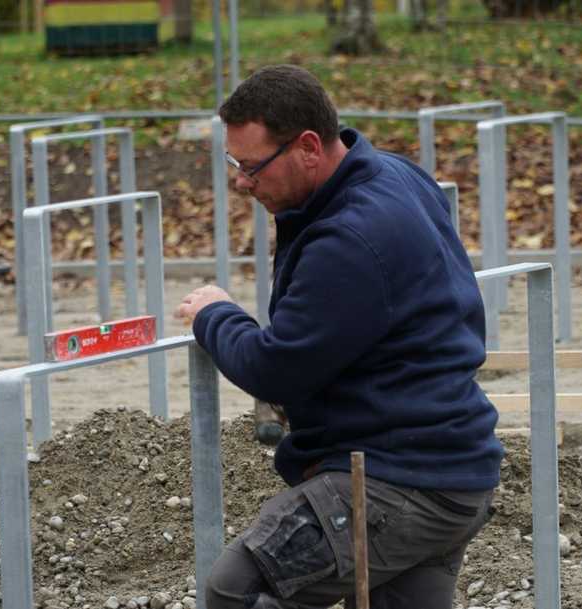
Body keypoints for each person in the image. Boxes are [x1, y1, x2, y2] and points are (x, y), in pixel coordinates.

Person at [174, 64, 502, 609]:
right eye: (234, 163)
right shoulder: (396, 174)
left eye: (252, 166)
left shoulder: (351, 238)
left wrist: (216, 315)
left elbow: (275, 368)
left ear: (308, 146)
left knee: (236, 588)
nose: (241, 182)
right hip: (455, 472)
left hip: (398, 482)